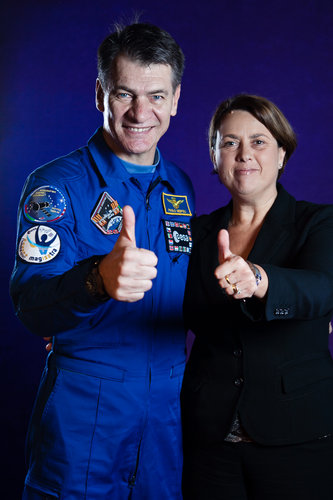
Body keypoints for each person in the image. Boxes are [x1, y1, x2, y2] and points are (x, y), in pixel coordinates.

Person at [10, 22, 195, 499]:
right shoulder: (57, 187)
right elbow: (31, 306)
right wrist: (95, 281)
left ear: (175, 100)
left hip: (166, 417)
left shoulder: (180, 187)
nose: (140, 112)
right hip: (86, 413)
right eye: (124, 94)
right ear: (100, 94)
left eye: (156, 96)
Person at [181, 94, 333, 500]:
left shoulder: (318, 221)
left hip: (297, 434)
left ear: (282, 154)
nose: (244, 153)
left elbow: (323, 288)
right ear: (214, 158)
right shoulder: (195, 235)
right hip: (208, 436)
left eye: (259, 141)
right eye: (229, 143)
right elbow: (163, 304)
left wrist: (259, 279)